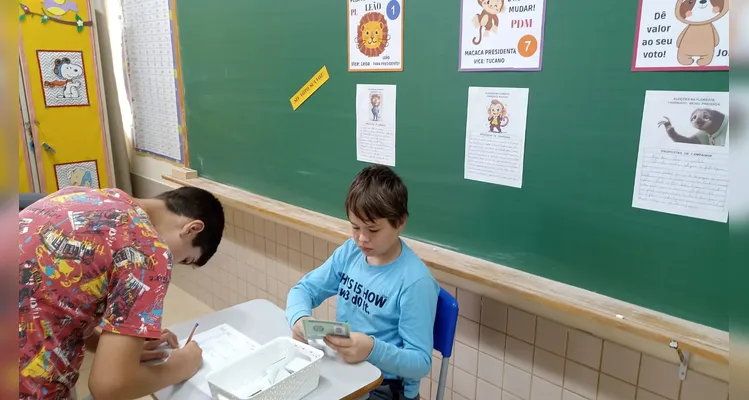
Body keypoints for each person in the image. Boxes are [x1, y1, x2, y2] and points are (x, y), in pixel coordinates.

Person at [18, 185, 225, 400]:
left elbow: (54, 306)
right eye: (185, 259)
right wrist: (182, 365)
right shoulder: (149, 251)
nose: (174, 263)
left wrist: (110, 348)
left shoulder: (82, 195)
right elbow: (109, 387)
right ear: (192, 228)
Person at [286, 164, 439, 400]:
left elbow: (420, 363)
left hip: (384, 386)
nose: (362, 238)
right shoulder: (350, 253)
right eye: (355, 227)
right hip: (345, 369)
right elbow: (303, 290)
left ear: (400, 222)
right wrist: (299, 318)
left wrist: (372, 349)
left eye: (373, 229)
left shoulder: (415, 282)